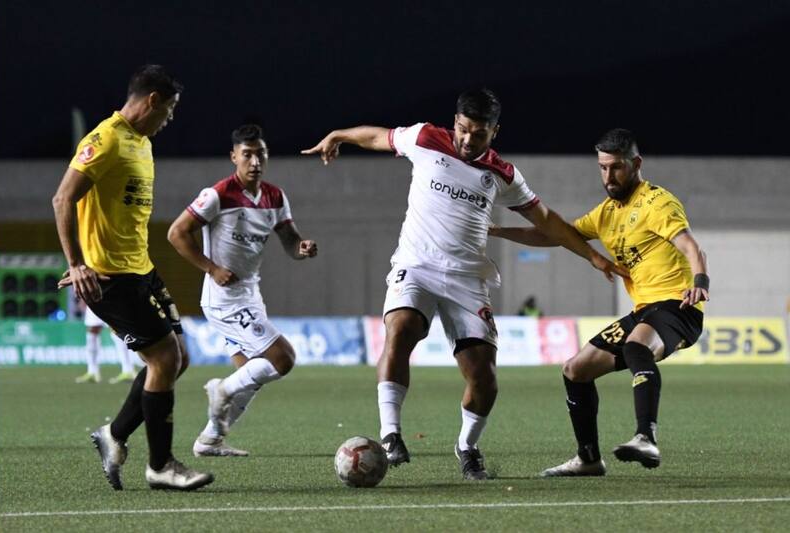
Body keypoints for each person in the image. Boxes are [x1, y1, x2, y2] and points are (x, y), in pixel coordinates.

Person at [302, 89, 625, 480]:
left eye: (480, 134)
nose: (469, 140)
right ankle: (390, 436)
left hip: (468, 280)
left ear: (495, 132)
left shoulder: (502, 174)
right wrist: (339, 134)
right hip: (416, 266)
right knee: (401, 328)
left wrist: (592, 255)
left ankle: (467, 448)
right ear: (454, 122)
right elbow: (378, 136)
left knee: (484, 377)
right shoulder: (425, 139)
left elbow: (547, 220)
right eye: (464, 129)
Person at [490, 128, 709, 476]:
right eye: (603, 167)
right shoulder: (606, 213)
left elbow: (691, 246)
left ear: (635, 164)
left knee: (637, 346)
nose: (609, 175)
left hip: (677, 307)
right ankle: (589, 458)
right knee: (576, 370)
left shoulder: (657, 203)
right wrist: (496, 231)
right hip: (643, 312)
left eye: (617, 167)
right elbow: (556, 235)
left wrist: (700, 281)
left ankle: (645, 436)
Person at [51, 65, 213, 491]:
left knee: (179, 357)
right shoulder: (104, 139)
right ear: (153, 101)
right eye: (171, 109)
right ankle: (161, 466)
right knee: (163, 359)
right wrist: (77, 263)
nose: (171, 119)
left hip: (142, 269)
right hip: (109, 277)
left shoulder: (141, 143)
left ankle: (114, 435)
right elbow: (63, 198)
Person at [168, 124, 318, 457]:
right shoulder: (217, 194)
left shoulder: (275, 197)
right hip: (223, 299)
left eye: (260, 154)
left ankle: (210, 439)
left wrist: (302, 248)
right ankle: (221, 390)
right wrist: (212, 268)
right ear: (234, 156)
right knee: (283, 358)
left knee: (252, 375)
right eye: (247, 154)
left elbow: (290, 241)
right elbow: (177, 234)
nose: (254, 161)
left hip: (251, 295)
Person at [75, 303, 138, 384]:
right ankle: (92, 371)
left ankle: (128, 369)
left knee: (115, 327)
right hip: (93, 299)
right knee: (92, 329)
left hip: (109, 296)